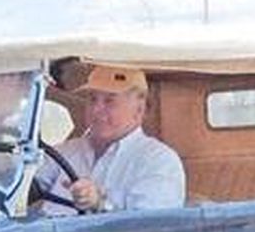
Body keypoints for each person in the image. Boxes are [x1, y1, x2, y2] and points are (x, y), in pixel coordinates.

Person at [32, 64, 185, 214]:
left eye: (109, 101)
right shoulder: (63, 153)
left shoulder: (159, 161)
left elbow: (151, 227)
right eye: (92, 99)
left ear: (139, 109)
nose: (96, 110)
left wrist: (100, 203)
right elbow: (25, 189)